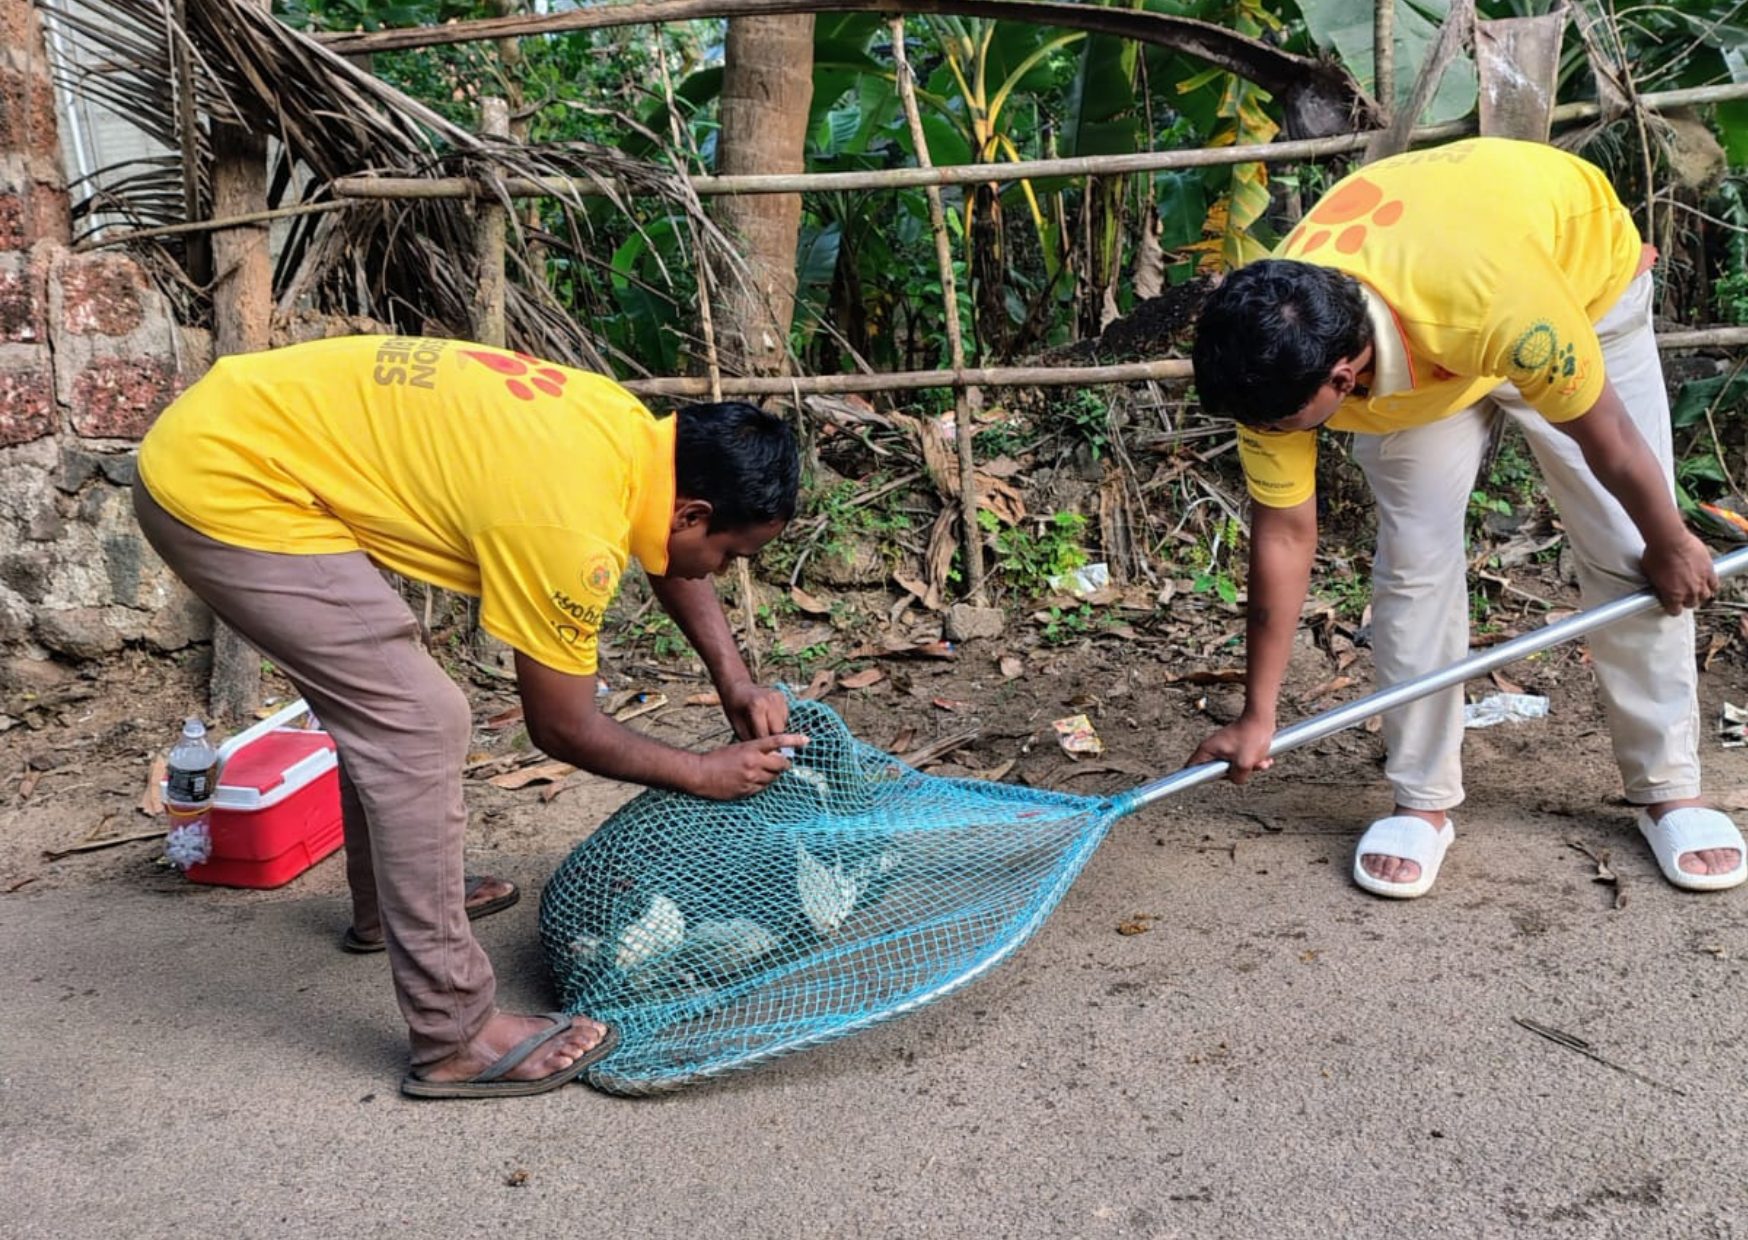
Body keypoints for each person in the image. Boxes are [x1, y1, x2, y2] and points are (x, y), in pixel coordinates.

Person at [133, 334, 807, 1097]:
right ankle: (456, 1035)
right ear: (693, 511)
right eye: (732, 556)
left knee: (384, 695)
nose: (720, 571)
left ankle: (387, 909)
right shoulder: (570, 525)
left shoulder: (634, 435)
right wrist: (702, 772)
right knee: (419, 718)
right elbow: (561, 727)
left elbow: (668, 547)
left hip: (243, 437)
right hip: (222, 484)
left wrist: (735, 682)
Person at [1187, 136, 1745, 900]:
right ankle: (1422, 799)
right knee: (1413, 561)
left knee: (1626, 545)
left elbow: (1611, 441)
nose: (1273, 436)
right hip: (1423, 337)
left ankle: (1668, 786)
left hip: (1573, 286)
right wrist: (1258, 715)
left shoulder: (1499, 303)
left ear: (1343, 378)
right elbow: (1285, 533)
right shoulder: (1270, 367)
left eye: (1286, 426)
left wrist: (1673, 539)